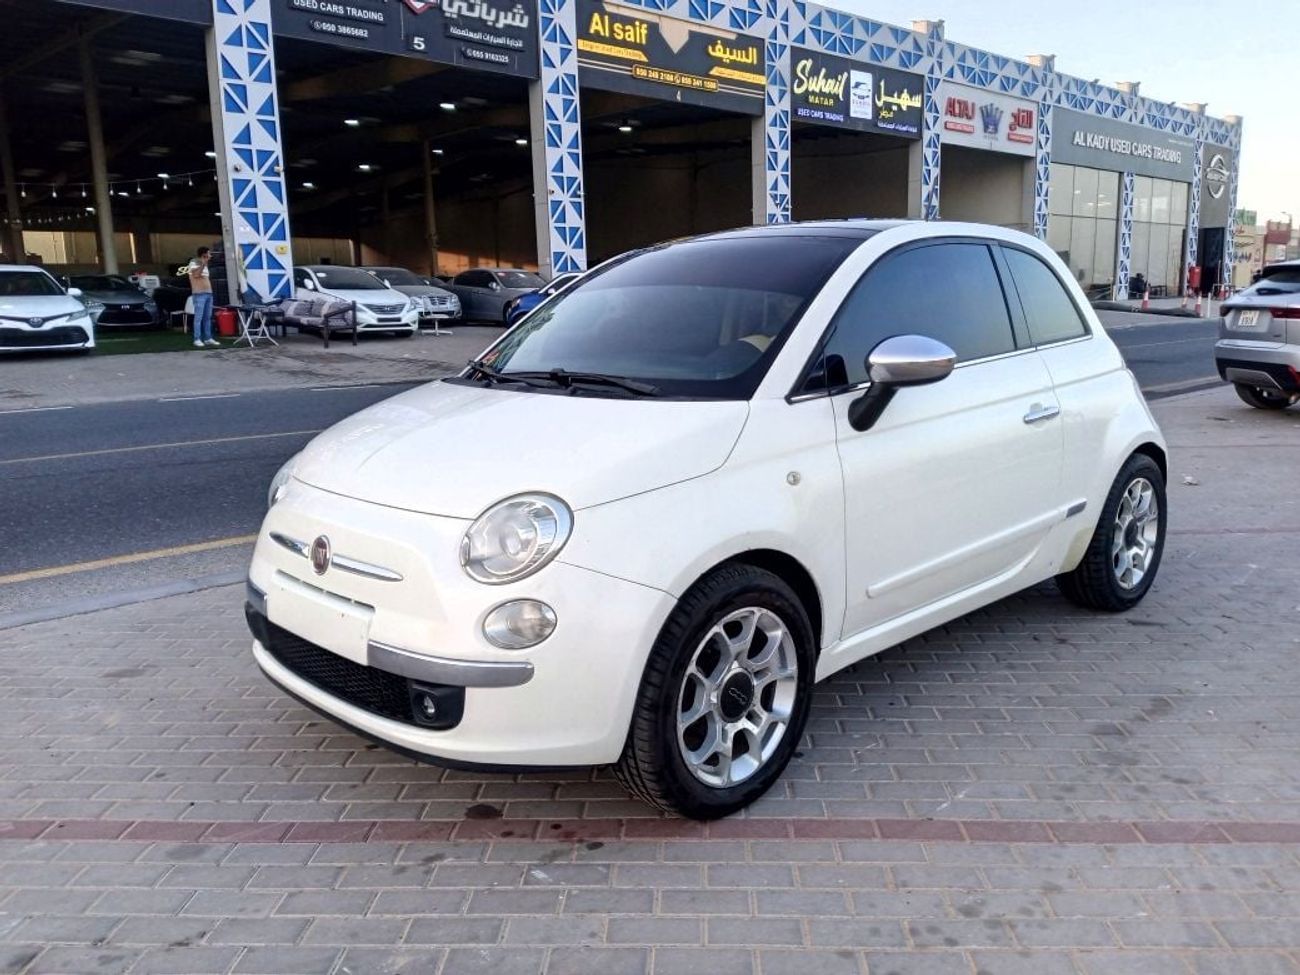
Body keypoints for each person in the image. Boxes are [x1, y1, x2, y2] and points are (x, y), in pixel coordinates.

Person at [187, 246, 217, 348]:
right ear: (203, 254)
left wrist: (205, 264)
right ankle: (197, 339)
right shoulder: (193, 262)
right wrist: (203, 264)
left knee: (207, 317)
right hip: (199, 294)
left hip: (208, 293)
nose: (210, 255)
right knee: (198, 317)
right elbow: (196, 275)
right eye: (208, 253)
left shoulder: (206, 265)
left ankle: (208, 338)